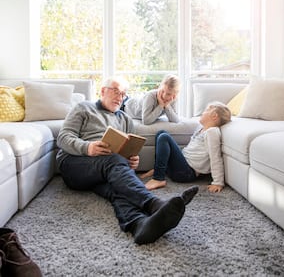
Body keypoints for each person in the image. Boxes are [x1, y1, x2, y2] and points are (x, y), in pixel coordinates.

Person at [56, 76, 199, 245]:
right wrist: (88, 147)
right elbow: (63, 138)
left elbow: (126, 151)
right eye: (116, 91)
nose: (119, 97)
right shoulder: (83, 108)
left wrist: (131, 161)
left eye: (123, 94)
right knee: (113, 161)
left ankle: (139, 225)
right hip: (74, 164)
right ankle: (154, 204)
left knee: (119, 188)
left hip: (105, 169)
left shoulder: (124, 119)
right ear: (103, 91)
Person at [142, 102, 231, 192]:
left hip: (186, 173)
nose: (203, 113)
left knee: (164, 137)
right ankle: (159, 169)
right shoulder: (201, 128)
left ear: (214, 116)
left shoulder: (212, 132)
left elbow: (215, 157)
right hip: (182, 165)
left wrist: (218, 182)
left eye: (206, 110)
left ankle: (158, 178)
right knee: (161, 133)